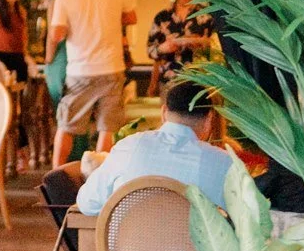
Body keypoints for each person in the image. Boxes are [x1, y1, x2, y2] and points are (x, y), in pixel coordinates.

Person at [75, 77, 236, 216]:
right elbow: (250, 219)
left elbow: (87, 203)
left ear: (164, 112)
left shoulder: (129, 147)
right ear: (209, 119)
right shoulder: (222, 162)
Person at [47, 0, 136, 171]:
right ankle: (99, 176)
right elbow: (131, 16)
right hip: (112, 67)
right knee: (107, 126)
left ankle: (56, 176)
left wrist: (49, 56)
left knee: (67, 124)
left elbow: (57, 33)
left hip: (80, 71)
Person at [146, 0, 213, 93]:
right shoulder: (162, 17)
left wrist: (201, 42)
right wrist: (162, 48)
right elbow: (150, 50)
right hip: (169, 81)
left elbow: (217, 49)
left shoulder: (207, 16)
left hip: (199, 83)